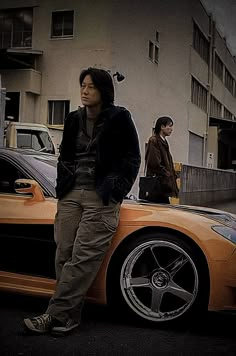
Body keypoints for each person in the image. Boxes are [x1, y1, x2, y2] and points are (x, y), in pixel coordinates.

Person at [23, 67, 141, 335]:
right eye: (82, 86)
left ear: (104, 91)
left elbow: (132, 158)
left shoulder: (120, 117)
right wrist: (62, 186)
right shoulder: (74, 118)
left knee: (83, 258)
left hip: (101, 196)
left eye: (91, 87)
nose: (84, 91)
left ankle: (51, 316)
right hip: (71, 195)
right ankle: (68, 317)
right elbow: (65, 156)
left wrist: (116, 190)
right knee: (63, 254)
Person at [145, 116, 178, 203]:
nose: (171, 129)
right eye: (169, 126)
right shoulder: (154, 140)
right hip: (157, 184)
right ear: (162, 127)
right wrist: (167, 174)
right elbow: (154, 163)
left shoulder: (164, 142)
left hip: (163, 185)